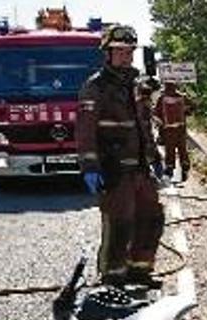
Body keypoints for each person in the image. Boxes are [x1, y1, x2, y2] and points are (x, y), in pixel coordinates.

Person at [77, 25, 165, 288]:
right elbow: (85, 131)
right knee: (120, 224)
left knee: (151, 218)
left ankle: (140, 271)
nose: (126, 56)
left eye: (129, 51)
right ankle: (113, 278)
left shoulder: (139, 84)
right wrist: (90, 166)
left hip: (140, 168)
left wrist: (155, 157)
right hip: (113, 170)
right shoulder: (95, 87)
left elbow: (145, 123)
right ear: (108, 53)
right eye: (120, 51)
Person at [154, 81, 195, 182]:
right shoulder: (183, 97)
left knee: (170, 150)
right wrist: (186, 112)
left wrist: (160, 127)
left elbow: (156, 114)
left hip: (168, 130)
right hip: (181, 128)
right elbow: (193, 107)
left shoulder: (162, 98)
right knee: (182, 150)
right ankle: (184, 169)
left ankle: (170, 170)